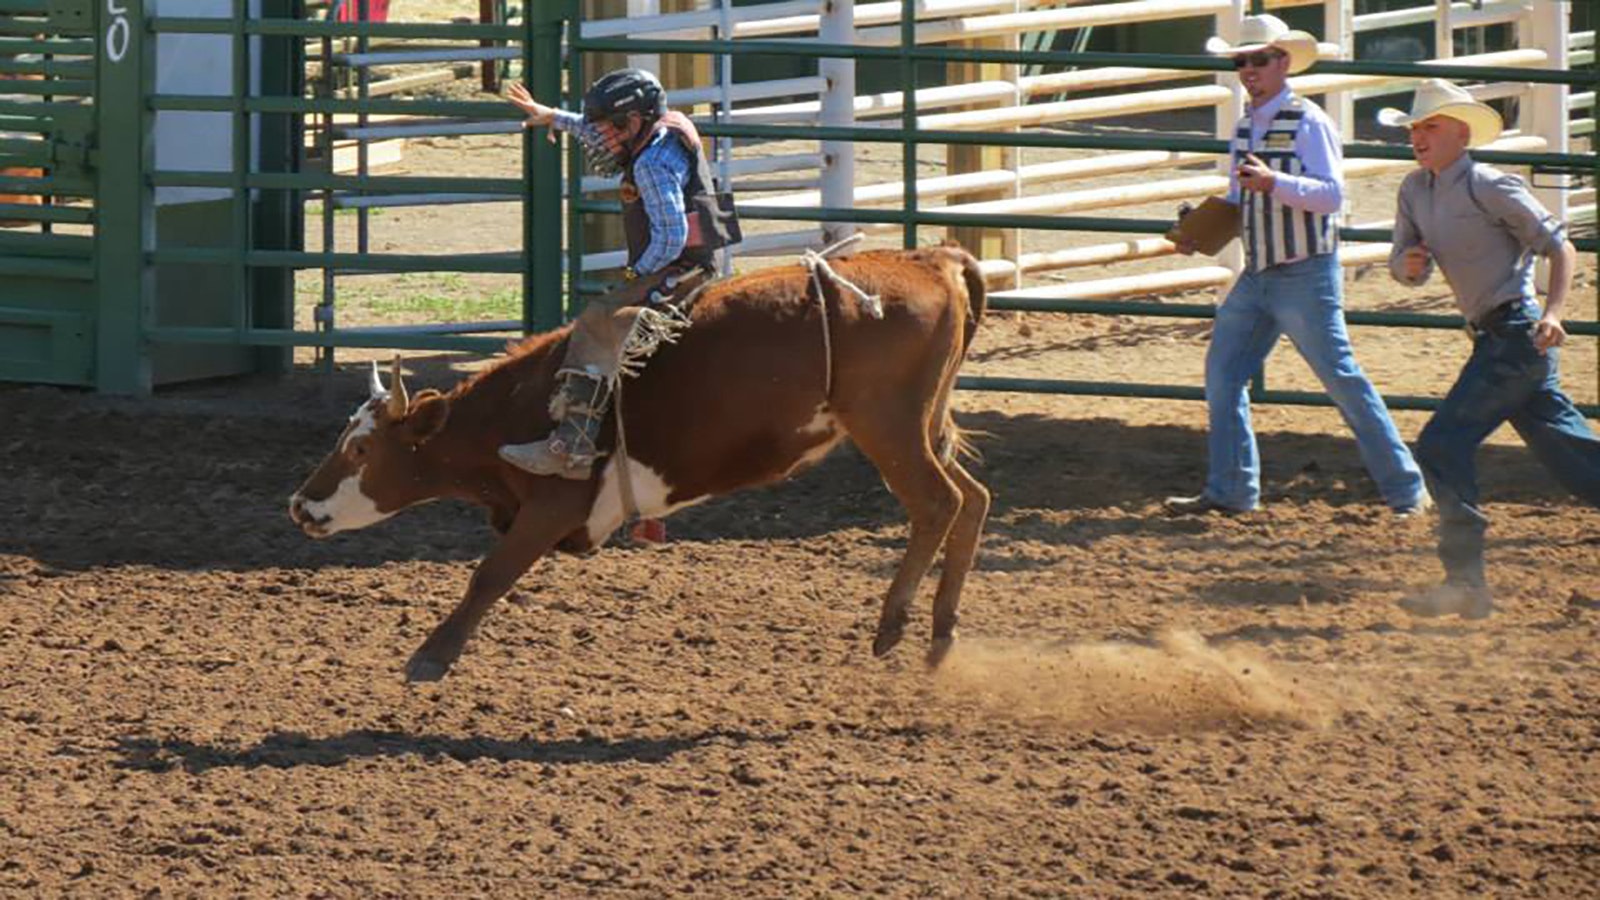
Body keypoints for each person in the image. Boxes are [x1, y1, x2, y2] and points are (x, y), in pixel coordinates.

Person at [1165, 14, 1427, 517]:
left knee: (1342, 382)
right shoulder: (1246, 125)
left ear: (1283, 62)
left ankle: (1406, 489)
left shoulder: (1310, 121)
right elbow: (1240, 198)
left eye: (1258, 59)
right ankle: (1232, 492)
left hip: (1305, 273)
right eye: (1241, 61)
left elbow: (1332, 197)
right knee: (1224, 380)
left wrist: (1274, 185)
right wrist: (1198, 231)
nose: (1248, 69)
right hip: (1264, 271)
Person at [1380, 79, 1600, 619]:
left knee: (1440, 443)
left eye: (1429, 126)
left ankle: (1466, 583)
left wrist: (1553, 312)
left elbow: (1559, 247)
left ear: (1460, 132)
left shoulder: (1488, 184)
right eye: (1414, 128)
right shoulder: (1414, 190)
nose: (1418, 136)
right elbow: (1403, 259)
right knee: (1576, 463)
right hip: (1501, 340)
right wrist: (1407, 267)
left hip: (1515, 336)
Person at [497, 68, 739, 478]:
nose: (601, 137)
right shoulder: (660, 132)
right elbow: (598, 132)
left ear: (633, 122)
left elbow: (671, 235)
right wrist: (553, 115)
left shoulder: (651, 166)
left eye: (610, 128)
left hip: (680, 266)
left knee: (597, 321)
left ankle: (571, 444)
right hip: (695, 258)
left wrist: (635, 276)